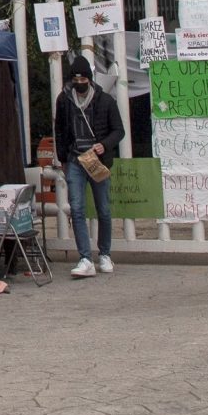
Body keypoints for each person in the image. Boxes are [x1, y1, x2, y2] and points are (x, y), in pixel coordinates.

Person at [52, 55, 123, 278]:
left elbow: (118, 130)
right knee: (77, 208)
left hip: (97, 160)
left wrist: (105, 145)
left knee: (103, 209)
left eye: (83, 80)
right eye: (76, 81)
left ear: (90, 80)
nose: (79, 85)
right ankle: (85, 257)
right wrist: (63, 159)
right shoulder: (64, 100)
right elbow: (60, 131)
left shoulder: (105, 101)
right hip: (75, 159)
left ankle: (104, 253)